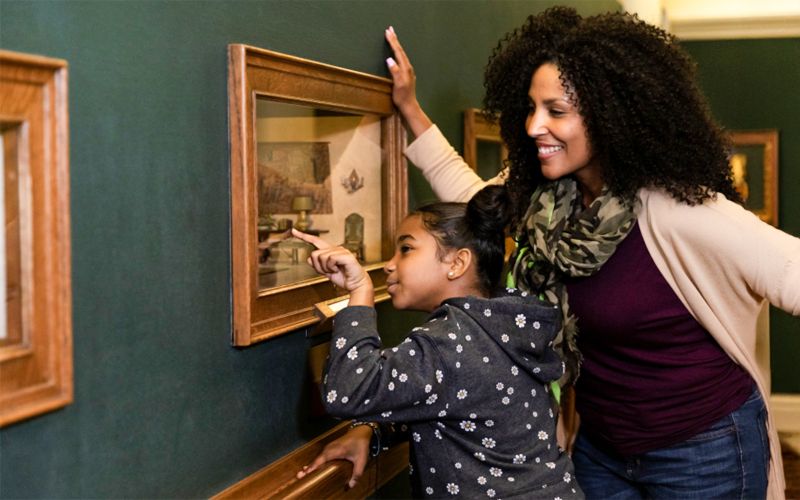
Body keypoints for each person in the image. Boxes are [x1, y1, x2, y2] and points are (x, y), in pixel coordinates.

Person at [299, 7, 800, 499]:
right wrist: (409, 109)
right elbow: (472, 200)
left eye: (556, 111)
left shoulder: (685, 212)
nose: (534, 125)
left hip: (704, 448)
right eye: (531, 107)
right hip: (601, 447)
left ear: (611, 116)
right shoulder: (544, 200)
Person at [293, 185, 583, 499]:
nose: (390, 264)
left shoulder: (450, 341)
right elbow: (452, 406)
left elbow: (348, 391)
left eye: (406, 249)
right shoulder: (498, 324)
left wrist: (360, 292)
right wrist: (373, 431)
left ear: (457, 263)